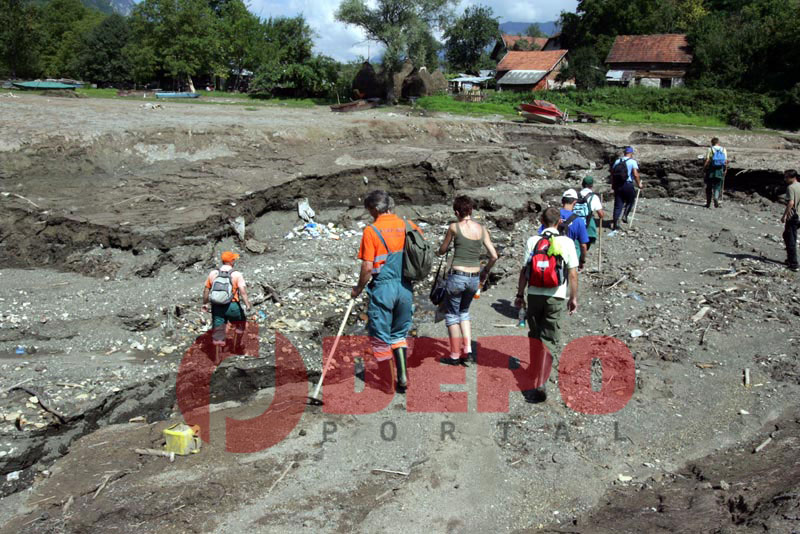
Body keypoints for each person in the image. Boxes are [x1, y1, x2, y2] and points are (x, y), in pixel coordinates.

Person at [351, 190, 422, 392]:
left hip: (383, 288)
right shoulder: (409, 226)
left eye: (369, 210)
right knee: (399, 334)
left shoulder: (371, 231)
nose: (369, 214)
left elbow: (367, 267)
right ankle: (403, 378)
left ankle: (387, 383)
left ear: (375, 209)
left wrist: (357, 289)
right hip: (405, 287)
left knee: (381, 338)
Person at [515, 207, 579, 402]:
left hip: (534, 294)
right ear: (559, 222)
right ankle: (541, 380)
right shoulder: (567, 242)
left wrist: (520, 294)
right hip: (556, 296)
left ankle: (534, 370)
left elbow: (524, 271)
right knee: (548, 338)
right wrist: (573, 298)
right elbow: (573, 274)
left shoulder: (533, 241)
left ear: (541, 221)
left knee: (535, 334)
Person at [436, 195, 499, 365]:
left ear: (457, 212)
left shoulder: (454, 227)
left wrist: (438, 252)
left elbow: (443, 249)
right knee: (464, 312)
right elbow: (494, 256)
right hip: (473, 278)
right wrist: (485, 271)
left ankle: (455, 355)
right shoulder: (482, 229)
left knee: (452, 315)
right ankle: (468, 351)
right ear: (471, 210)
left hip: (457, 276)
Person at [202, 251, 252, 349]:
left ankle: (218, 352)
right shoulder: (237, 274)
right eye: (234, 259)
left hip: (217, 306)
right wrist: (247, 305)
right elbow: (243, 292)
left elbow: (206, 290)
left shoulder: (213, 273)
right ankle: (236, 345)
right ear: (231, 261)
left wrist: (205, 303)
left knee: (218, 327)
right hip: (232, 305)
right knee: (240, 323)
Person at [541, 189, 589, 270]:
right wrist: (582, 261)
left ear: (562, 201)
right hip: (567, 258)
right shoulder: (579, 221)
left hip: (549, 257)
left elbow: (542, 235)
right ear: (575, 202)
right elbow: (583, 246)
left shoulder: (552, 216)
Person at [610, 146, 642, 230]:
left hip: (618, 185)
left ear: (624, 153)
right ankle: (625, 215)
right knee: (631, 200)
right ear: (631, 153)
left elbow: (612, 174)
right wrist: (639, 184)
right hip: (628, 184)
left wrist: (613, 185)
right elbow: (635, 174)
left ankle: (615, 224)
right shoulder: (632, 162)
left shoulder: (617, 161)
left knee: (618, 205)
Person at [576, 176, 605, 250]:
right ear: (592, 185)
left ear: (582, 184)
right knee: (585, 244)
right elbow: (601, 214)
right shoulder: (594, 197)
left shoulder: (576, 195)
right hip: (588, 223)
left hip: (575, 221)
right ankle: (583, 254)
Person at [781, 169, 800, 272]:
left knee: (790, 239)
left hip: (793, 216)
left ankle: (793, 264)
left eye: (786, 177)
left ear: (792, 177)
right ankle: (790, 259)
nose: (785, 179)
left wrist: (784, 215)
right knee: (787, 235)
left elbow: (791, 203)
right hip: (799, 216)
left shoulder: (790, 187)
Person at [703, 137, 728, 208]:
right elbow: (725, 161)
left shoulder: (710, 149)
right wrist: (725, 169)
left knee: (709, 186)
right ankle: (716, 198)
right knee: (718, 186)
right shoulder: (723, 149)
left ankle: (708, 203)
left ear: (712, 143)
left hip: (711, 170)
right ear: (718, 142)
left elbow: (707, 160)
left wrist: (704, 168)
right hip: (719, 170)